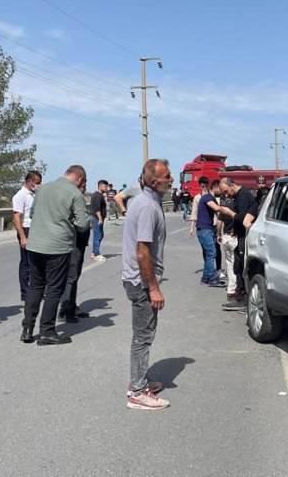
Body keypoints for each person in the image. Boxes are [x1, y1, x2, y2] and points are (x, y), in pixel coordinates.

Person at [21, 165, 90, 345]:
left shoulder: (44, 189)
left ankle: (27, 329)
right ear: (81, 179)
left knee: (35, 286)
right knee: (53, 289)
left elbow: (32, 213)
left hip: (35, 244)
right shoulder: (75, 194)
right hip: (57, 247)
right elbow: (82, 224)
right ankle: (47, 331)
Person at [123, 158, 172, 410]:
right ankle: (137, 391)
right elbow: (142, 251)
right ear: (154, 182)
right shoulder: (147, 207)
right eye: (167, 177)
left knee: (144, 334)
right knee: (143, 336)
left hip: (138, 280)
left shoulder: (146, 201)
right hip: (141, 283)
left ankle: (139, 380)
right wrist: (153, 286)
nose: (171, 180)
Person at [217, 177, 259, 311]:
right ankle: (240, 296)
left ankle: (242, 298)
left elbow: (243, 216)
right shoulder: (239, 196)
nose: (226, 195)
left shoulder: (243, 196)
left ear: (232, 186)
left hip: (244, 237)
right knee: (237, 265)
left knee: (241, 267)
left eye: (226, 191)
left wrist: (229, 213)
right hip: (239, 234)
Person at [59, 179, 91, 323]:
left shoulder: (78, 199)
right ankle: (65, 310)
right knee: (70, 277)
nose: (84, 188)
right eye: (83, 186)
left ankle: (72, 305)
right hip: (73, 243)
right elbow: (77, 222)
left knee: (75, 276)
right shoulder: (72, 198)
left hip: (80, 243)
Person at [12, 170, 42, 302]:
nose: (39, 185)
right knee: (26, 263)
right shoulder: (20, 195)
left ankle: (37, 290)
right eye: (37, 183)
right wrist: (23, 237)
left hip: (36, 229)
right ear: (29, 181)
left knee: (37, 263)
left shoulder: (35, 194)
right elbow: (17, 218)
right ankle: (25, 292)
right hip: (26, 229)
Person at [217, 191, 239, 300]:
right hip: (234, 236)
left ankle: (230, 290)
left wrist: (218, 234)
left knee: (229, 264)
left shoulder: (225, 207)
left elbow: (219, 223)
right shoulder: (237, 206)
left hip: (225, 237)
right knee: (236, 264)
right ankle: (236, 289)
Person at [90, 179, 108, 262]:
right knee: (97, 236)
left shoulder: (95, 195)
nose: (106, 188)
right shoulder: (98, 195)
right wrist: (100, 218)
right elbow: (97, 208)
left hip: (95, 218)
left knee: (100, 235)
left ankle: (94, 252)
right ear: (100, 185)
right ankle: (96, 254)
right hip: (97, 218)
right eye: (105, 186)